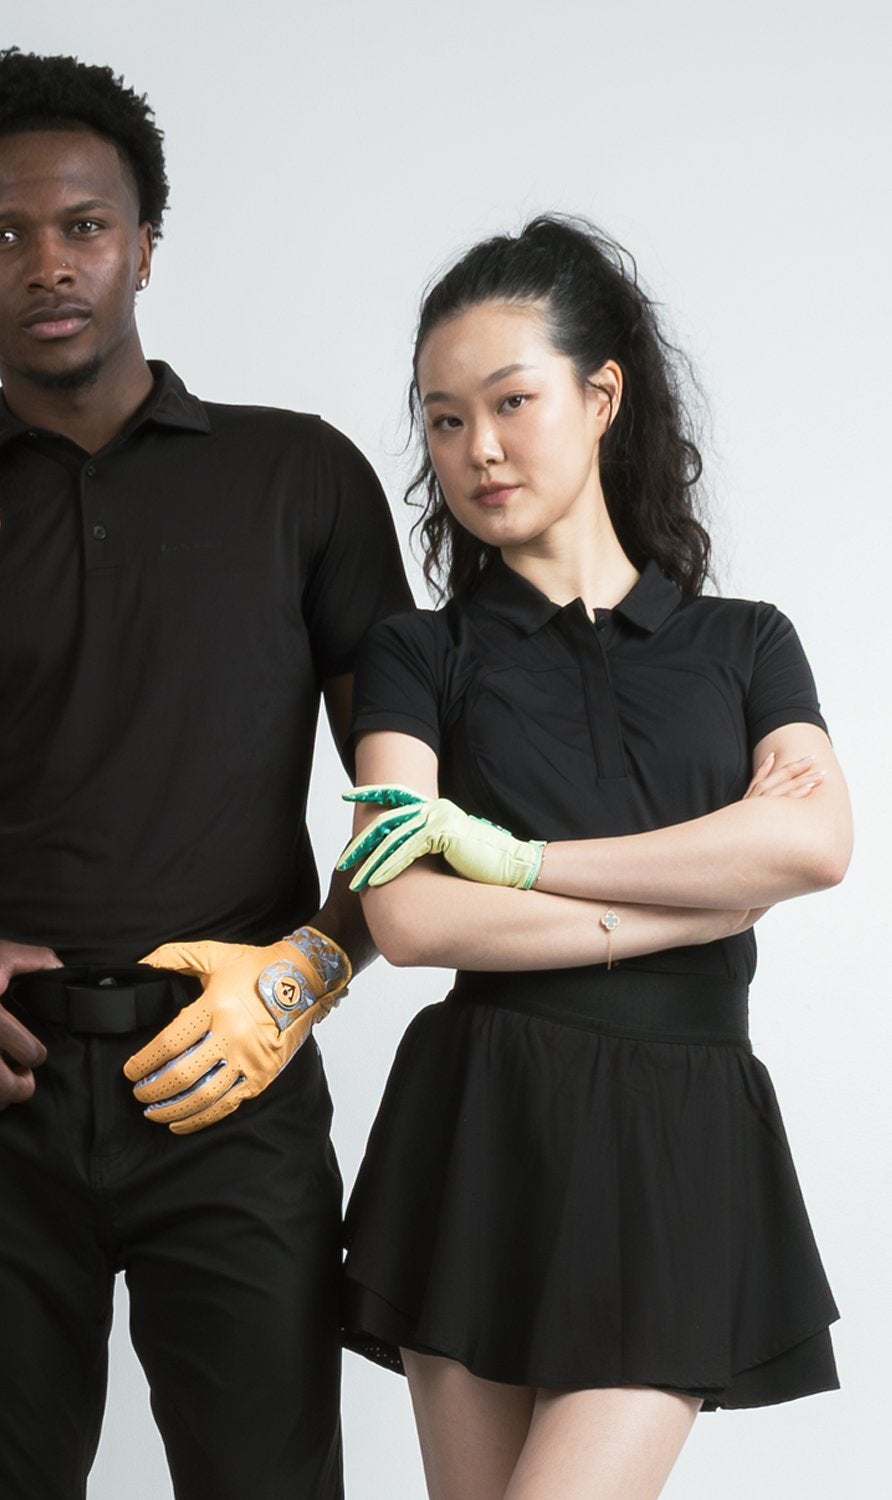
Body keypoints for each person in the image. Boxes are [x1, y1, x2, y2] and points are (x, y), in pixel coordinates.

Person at [0, 48, 411, 1500]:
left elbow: (407, 820)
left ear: (143, 242)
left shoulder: (298, 481)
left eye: (83, 227)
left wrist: (301, 982)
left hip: (234, 1093)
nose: (48, 266)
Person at [336, 217, 850, 1500]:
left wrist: (514, 865)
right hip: (485, 1121)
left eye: (511, 403)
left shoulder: (744, 643)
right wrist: (705, 897)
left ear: (601, 395)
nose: (479, 449)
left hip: (680, 1127)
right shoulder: (419, 653)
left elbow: (815, 841)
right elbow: (404, 917)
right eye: (444, 420)